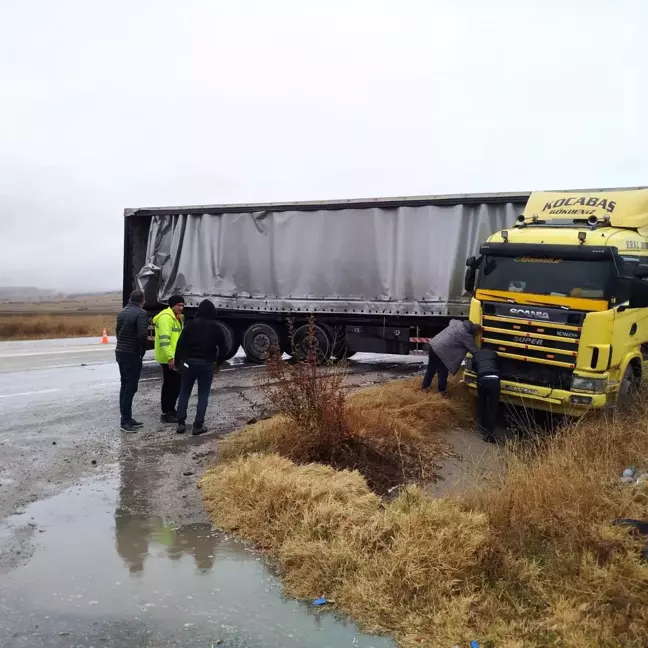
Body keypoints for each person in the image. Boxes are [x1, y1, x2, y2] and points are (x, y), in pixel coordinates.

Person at [174, 299, 227, 435]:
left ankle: (180, 423)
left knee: (184, 392)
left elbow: (180, 345)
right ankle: (198, 425)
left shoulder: (190, 325)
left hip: (188, 364)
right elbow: (224, 348)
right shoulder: (217, 328)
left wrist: (177, 362)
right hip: (207, 364)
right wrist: (218, 363)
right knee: (203, 395)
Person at [115, 290, 149, 432]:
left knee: (124, 386)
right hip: (131, 354)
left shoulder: (123, 311)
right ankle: (125, 421)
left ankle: (127, 416)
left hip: (120, 352)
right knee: (130, 388)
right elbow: (142, 335)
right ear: (142, 300)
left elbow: (117, 331)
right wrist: (142, 350)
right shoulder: (141, 313)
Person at [422, 320, 481, 393]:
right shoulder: (467, 336)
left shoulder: (459, 324)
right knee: (442, 372)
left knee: (431, 369)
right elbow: (474, 350)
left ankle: (424, 388)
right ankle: (442, 392)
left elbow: (451, 321)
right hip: (441, 352)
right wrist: (485, 355)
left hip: (434, 345)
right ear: (474, 332)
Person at [153, 295, 185, 423]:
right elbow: (164, 340)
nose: (181, 308)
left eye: (182, 305)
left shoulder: (177, 318)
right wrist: (170, 358)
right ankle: (167, 412)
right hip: (169, 358)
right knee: (170, 385)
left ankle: (171, 409)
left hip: (174, 357)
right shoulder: (166, 318)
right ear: (172, 305)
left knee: (175, 384)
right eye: (179, 305)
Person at [472, 347, 500, 443]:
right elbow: (499, 366)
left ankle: (483, 428)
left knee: (482, 403)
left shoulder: (476, 354)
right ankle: (490, 434)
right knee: (493, 408)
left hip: (482, 379)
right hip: (494, 380)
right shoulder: (494, 353)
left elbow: (474, 367)